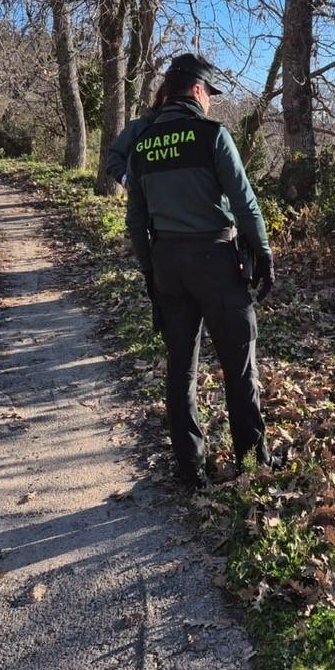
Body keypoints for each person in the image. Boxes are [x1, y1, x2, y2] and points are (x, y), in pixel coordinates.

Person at [125, 53, 276, 488]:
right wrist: (262, 253)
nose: (210, 101)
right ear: (196, 90)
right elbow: (244, 201)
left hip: (168, 263)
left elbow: (136, 220)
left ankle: (190, 468)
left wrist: (151, 274)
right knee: (239, 366)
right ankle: (252, 462)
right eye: (209, 93)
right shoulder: (212, 135)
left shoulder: (142, 142)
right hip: (215, 262)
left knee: (180, 370)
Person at [105, 79, 168, 186]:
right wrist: (126, 181)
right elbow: (114, 157)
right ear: (164, 98)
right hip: (143, 200)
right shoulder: (138, 126)